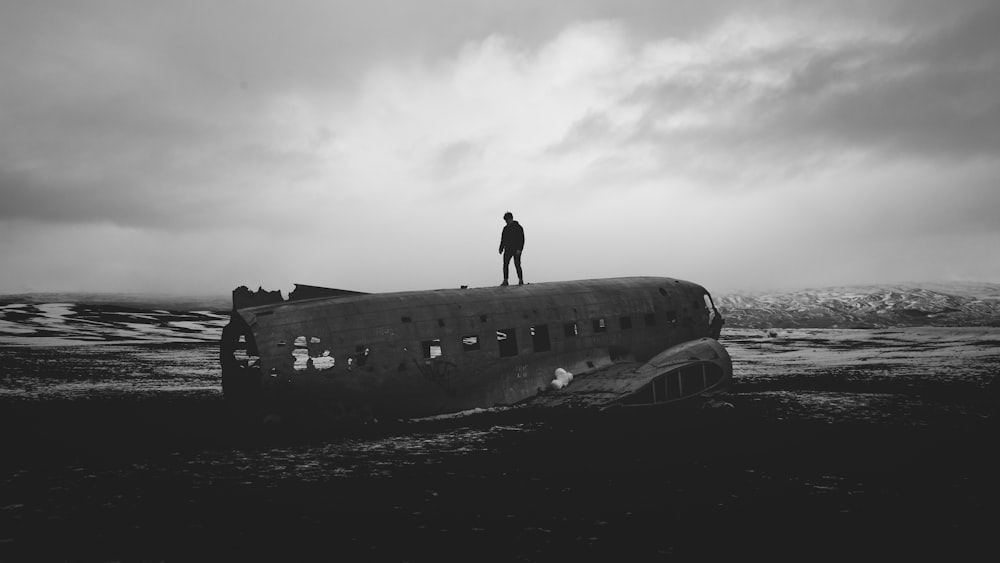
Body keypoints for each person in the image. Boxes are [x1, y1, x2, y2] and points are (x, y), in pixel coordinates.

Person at [498, 211, 525, 286]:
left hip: (516, 249)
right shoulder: (505, 228)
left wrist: (520, 249)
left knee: (517, 264)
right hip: (508, 249)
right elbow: (503, 239)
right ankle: (505, 280)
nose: (506, 222)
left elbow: (522, 239)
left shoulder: (518, 227)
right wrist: (501, 248)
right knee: (505, 264)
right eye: (505, 220)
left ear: (511, 219)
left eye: (507, 220)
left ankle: (520, 280)